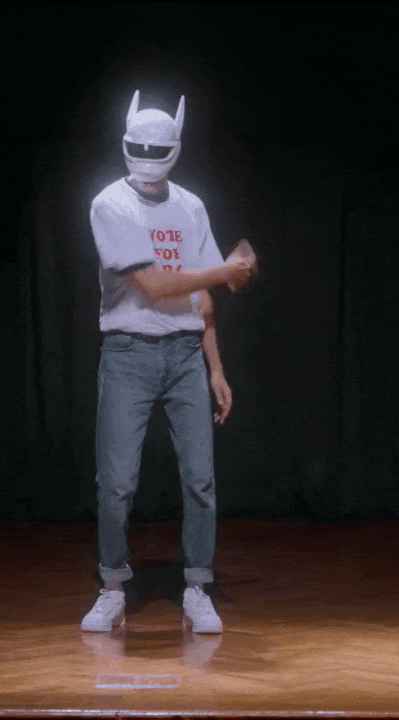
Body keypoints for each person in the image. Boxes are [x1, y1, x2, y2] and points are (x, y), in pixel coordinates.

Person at [80, 90, 256, 634]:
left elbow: (201, 297)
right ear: (125, 143)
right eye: (140, 146)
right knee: (116, 482)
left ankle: (197, 586)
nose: (148, 156)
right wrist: (228, 269)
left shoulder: (190, 206)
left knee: (201, 479)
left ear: (176, 147)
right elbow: (155, 285)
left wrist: (215, 367)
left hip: (183, 355)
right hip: (128, 353)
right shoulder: (109, 203)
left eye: (159, 148)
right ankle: (112, 585)